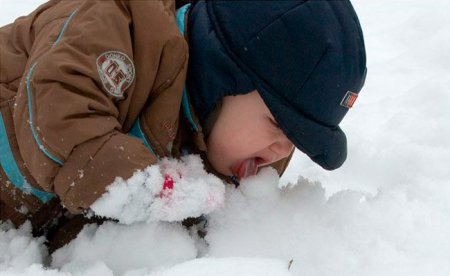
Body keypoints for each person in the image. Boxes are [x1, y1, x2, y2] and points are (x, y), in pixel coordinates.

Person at [0, 0, 366, 251]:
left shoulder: (221, 150)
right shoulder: (119, 22)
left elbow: (88, 231)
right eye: (278, 124)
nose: (283, 150)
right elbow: (56, 114)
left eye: (299, 140)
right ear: (223, 77)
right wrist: (154, 190)